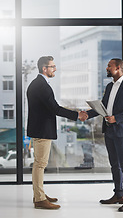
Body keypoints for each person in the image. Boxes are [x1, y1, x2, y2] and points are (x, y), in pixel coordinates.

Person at [27, 56, 87, 209]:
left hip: (39, 129)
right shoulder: (42, 86)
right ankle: (39, 199)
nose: (55, 69)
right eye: (52, 66)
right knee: (40, 164)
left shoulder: (38, 84)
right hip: (42, 130)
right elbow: (55, 109)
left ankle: (39, 194)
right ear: (44, 69)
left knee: (39, 163)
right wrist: (77, 115)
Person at [85, 58, 123, 212]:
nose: (107, 68)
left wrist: (116, 118)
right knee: (115, 165)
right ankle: (119, 194)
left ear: (118, 68)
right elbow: (102, 107)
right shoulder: (109, 86)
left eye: (109, 66)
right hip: (109, 131)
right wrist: (86, 115)